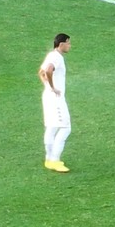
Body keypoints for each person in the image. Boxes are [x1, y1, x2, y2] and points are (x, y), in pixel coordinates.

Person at [40, 32, 72, 173]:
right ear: (61, 44)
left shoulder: (51, 55)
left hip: (47, 97)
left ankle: (48, 159)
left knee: (52, 127)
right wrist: (53, 87)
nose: (70, 46)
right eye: (68, 43)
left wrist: (47, 86)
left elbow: (41, 72)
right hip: (56, 99)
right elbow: (47, 71)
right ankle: (55, 160)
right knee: (65, 128)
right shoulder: (57, 58)